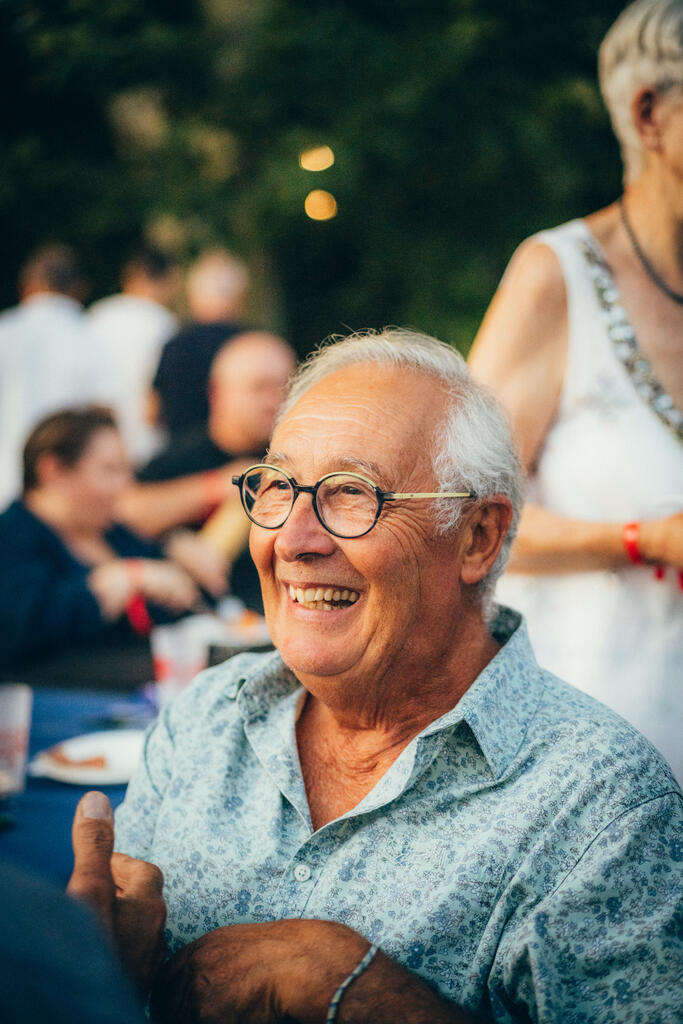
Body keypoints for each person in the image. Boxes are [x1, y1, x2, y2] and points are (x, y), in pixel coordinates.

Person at [70, 330, 680, 1023]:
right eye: (276, 487)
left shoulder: (603, 810)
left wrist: (362, 994)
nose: (293, 539)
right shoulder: (206, 716)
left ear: (477, 537)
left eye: (350, 494)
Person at [468, 0, 683, 783]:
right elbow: (453, 518)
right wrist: (643, 539)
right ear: (648, 113)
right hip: (588, 766)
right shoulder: (554, 277)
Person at [0, 407, 224, 676]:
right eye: (110, 470)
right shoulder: (12, 536)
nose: (124, 485)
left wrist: (178, 549)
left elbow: (181, 600)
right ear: (53, 470)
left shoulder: (111, 531)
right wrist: (116, 581)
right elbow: (21, 630)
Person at [118, 331, 296, 611]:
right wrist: (215, 488)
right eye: (259, 388)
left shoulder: (303, 456)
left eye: (285, 388)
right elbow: (123, 513)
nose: (275, 401)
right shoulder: (182, 455)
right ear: (217, 392)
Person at [0, 244, 117, 508]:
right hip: (60, 490)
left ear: (27, 285)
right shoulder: (90, 337)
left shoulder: (4, 331)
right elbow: (105, 413)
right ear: (78, 289)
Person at [88, 246, 180, 465]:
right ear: (165, 280)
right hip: (146, 439)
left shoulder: (98, 315)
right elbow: (157, 391)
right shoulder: (162, 322)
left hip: (98, 436)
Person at [149, 248, 250, 438]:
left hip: (181, 456)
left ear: (193, 294)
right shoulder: (254, 344)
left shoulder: (175, 345)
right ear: (238, 295)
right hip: (247, 460)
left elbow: (151, 412)